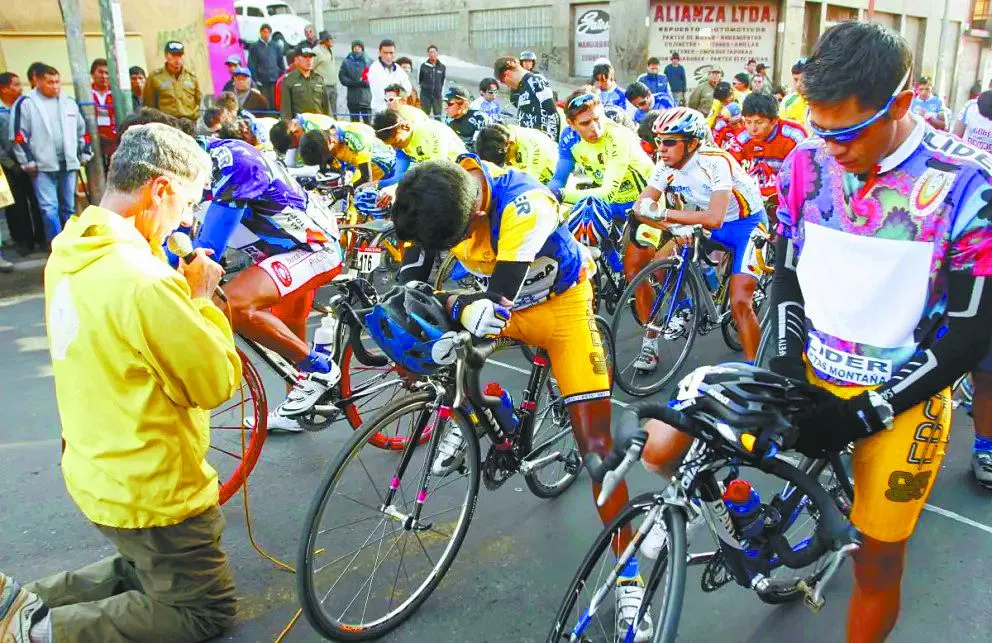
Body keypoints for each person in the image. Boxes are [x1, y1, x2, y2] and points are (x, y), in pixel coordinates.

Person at [742, 21, 992, 641]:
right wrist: (782, 358)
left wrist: (864, 416)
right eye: (820, 130)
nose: (831, 149)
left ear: (901, 104)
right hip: (814, 367)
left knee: (877, 561)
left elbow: (970, 331)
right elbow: (788, 272)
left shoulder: (968, 181)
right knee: (676, 445)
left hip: (903, 390)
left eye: (847, 132)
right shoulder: (803, 162)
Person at [390, 155, 650, 639]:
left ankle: (629, 575)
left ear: (474, 215)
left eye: (459, 238)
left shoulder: (524, 202)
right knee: (440, 342)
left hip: (563, 311)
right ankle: (490, 409)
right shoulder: (433, 187)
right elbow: (414, 275)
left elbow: (495, 302)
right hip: (504, 304)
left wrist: (454, 303)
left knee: (598, 455)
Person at [0, 122, 240, 643]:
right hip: (153, 489)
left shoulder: (71, 245)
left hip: (95, 469)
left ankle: (19, 604)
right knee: (204, 610)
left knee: (143, 568)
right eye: (187, 203)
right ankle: (36, 632)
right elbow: (215, 382)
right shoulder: (145, 283)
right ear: (160, 189)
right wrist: (199, 300)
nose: (188, 218)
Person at [629, 107, 766, 371]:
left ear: (692, 143)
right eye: (658, 141)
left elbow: (714, 217)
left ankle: (757, 375)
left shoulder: (716, 160)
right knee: (660, 261)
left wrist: (665, 214)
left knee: (740, 302)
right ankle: (683, 307)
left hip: (745, 225)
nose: (661, 149)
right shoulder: (665, 166)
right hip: (704, 221)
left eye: (669, 142)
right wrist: (671, 226)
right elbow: (641, 206)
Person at [11, 65, 92, 243]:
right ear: (37, 81)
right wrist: (27, 162)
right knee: (48, 209)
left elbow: (82, 130)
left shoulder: (69, 102)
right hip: (41, 166)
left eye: (57, 82)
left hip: (68, 162)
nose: (55, 86)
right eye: (49, 82)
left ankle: (71, 243)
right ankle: (55, 245)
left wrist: (85, 151)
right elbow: (18, 136)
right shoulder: (26, 103)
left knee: (68, 208)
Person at [728, 92, 808, 217]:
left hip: (789, 200)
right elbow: (730, 173)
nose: (752, 129)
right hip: (753, 201)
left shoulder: (795, 135)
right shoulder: (741, 137)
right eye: (748, 122)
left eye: (759, 122)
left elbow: (804, 179)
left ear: (774, 120)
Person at [1, 72, 46, 255]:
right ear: (4, 89)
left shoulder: (24, 107)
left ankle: (40, 237)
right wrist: (11, 164)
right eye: (16, 85)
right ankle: (23, 240)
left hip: (30, 163)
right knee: (17, 206)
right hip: (11, 166)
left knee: (37, 201)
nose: (21, 88)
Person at [372, 107, 466, 192]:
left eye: (396, 142)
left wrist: (394, 190)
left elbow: (436, 171)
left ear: (406, 127)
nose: (395, 148)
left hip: (463, 173)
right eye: (390, 145)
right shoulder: (401, 145)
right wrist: (376, 184)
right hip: (442, 177)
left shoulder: (430, 132)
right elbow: (399, 177)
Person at [298, 120, 396, 185]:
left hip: (392, 173)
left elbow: (366, 179)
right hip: (373, 175)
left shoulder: (353, 137)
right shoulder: (326, 142)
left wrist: (346, 190)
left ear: (330, 142)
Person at [494, 55, 561, 142]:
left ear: (507, 73)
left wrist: (552, 142)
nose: (506, 85)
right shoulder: (521, 89)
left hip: (542, 144)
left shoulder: (536, 80)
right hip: (530, 145)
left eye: (503, 81)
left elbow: (552, 113)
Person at [475, 122, 558, 184]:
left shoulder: (530, 150)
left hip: (557, 189)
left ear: (508, 143)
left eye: (504, 160)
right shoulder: (507, 133)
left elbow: (528, 186)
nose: (506, 162)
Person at [144, 40, 202, 121]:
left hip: (188, 123)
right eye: (173, 55)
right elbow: (149, 104)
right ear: (166, 55)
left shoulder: (191, 77)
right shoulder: (155, 77)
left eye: (180, 55)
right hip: (166, 124)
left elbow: (198, 101)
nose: (177, 59)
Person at [280, 47, 328, 119]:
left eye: (311, 57)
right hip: (299, 125)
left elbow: (326, 106)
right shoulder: (289, 80)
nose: (309, 60)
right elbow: (285, 109)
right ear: (296, 60)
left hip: (318, 125)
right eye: (305, 57)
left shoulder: (319, 79)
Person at [368, 39, 411, 113]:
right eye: (385, 53)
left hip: (397, 110)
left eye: (391, 53)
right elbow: (381, 94)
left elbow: (407, 89)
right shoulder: (374, 69)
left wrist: (399, 94)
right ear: (379, 53)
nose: (388, 56)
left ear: (395, 53)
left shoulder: (398, 69)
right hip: (380, 111)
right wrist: (397, 92)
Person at [248, 23, 285, 108]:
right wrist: (255, 79)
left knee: (276, 102)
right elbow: (252, 64)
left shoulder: (275, 46)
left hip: (275, 79)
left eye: (268, 32)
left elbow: (280, 61)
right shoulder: (254, 47)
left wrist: (281, 74)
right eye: (264, 32)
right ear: (260, 33)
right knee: (265, 102)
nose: (266, 34)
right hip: (262, 81)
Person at [443, 86, 489, 152]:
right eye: (444, 103)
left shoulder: (479, 118)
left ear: (464, 104)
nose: (445, 107)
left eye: (450, 103)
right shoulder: (449, 117)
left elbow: (481, 148)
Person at [90, 58, 117, 164]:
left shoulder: (117, 95)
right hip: (93, 142)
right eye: (100, 72)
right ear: (92, 74)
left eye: (107, 73)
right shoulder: (86, 94)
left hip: (113, 143)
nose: (104, 76)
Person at [339, 40, 372, 124]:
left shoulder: (368, 61)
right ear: (352, 48)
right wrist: (353, 83)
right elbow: (342, 77)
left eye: (359, 47)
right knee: (354, 124)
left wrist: (367, 82)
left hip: (365, 98)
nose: (357, 48)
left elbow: (373, 76)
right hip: (352, 98)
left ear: (362, 48)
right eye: (355, 47)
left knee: (368, 124)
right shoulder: (346, 62)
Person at [708, 81, 745, 148]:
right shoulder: (717, 102)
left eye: (726, 100)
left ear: (732, 92)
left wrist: (736, 118)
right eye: (722, 101)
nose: (725, 103)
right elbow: (710, 120)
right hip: (727, 133)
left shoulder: (741, 97)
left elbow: (747, 114)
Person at [313, 30, 338, 117]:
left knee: (333, 113)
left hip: (333, 86)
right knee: (325, 113)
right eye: (330, 39)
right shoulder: (316, 51)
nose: (332, 41)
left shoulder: (330, 50)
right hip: (323, 86)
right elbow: (311, 67)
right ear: (324, 40)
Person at [419, 45, 446, 118]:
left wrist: (439, 90)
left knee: (438, 116)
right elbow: (420, 79)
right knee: (424, 116)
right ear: (428, 54)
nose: (432, 54)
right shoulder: (423, 66)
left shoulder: (442, 67)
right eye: (430, 52)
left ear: (437, 53)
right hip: (425, 96)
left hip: (437, 96)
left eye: (434, 52)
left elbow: (442, 80)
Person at [779, 58, 808, 123]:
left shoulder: (819, 104)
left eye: (803, 80)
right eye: (795, 80)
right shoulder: (787, 102)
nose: (798, 84)